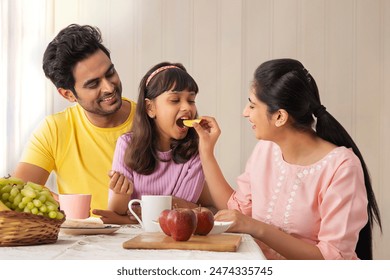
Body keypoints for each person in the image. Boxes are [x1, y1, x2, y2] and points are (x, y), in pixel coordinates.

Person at [193, 58, 382, 260]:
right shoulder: (265, 150)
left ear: (280, 117)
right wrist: (206, 150)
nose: (245, 113)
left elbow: (332, 259)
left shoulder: (342, 167)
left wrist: (257, 228)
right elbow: (237, 211)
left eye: (252, 105)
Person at [12, 24, 136, 212]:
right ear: (68, 95)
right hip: (80, 240)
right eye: (93, 84)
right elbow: (18, 191)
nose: (109, 87)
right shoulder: (55, 129)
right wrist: (55, 202)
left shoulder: (154, 119)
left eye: (110, 73)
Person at [95, 62, 212, 223]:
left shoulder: (196, 150)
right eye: (175, 100)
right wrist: (121, 193)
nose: (187, 107)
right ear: (150, 108)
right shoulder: (126, 144)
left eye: (191, 100)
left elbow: (183, 214)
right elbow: (117, 213)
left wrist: (139, 215)